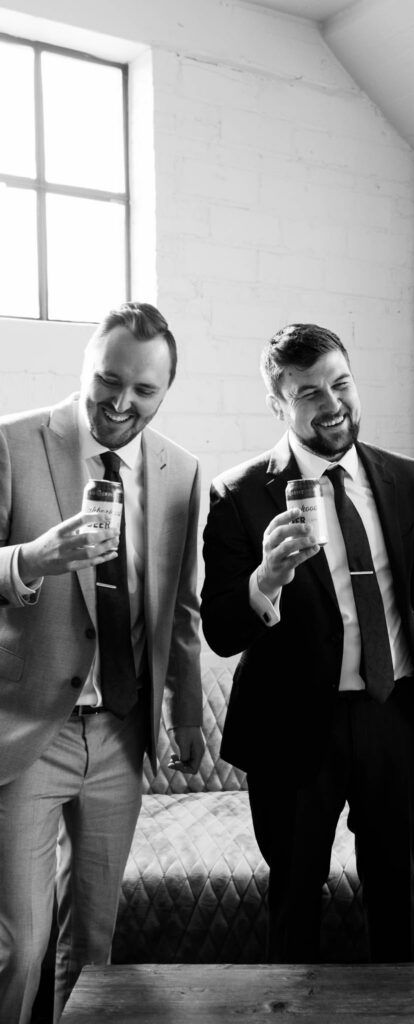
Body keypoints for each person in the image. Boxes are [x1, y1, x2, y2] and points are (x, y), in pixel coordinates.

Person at [201, 322, 414, 963]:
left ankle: (395, 1007)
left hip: (394, 717)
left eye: (340, 383)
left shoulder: (403, 477)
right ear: (278, 405)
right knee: (294, 904)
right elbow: (221, 630)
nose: (332, 403)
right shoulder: (238, 493)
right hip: (292, 729)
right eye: (309, 392)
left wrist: (411, 669)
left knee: (395, 899)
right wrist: (265, 580)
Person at [0, 302, 205, 1024]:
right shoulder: (12, 442)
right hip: (28, 730)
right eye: (108, 380)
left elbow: (181, 608)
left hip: (120, 733)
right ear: (86, 366)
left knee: (92, 945)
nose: (121, 402)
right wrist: (30, 560)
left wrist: (186, 716)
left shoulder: (181, 472)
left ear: (165, 390)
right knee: (20, 946)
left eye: (143, 390)